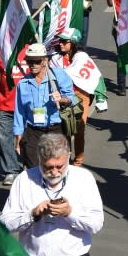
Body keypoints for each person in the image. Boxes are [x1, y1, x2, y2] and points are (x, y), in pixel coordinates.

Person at [0, 133, 104, 256]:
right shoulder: (24, 180)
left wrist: (69, 213)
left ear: (69, 157)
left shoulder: (84, 179)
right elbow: (5, 224)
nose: (54, 172)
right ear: (39, 158)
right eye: (47, 167)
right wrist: (32, 214)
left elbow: (96, 224)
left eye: (59, 166)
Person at [13, 43, 76, 169]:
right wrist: (18, 138)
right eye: (29, 61)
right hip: (33, 131)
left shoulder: (58, 75)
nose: (32, 64)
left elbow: (71, 99)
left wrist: (62, 99)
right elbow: (19, 112)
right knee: (34, 169)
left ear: (45, 61)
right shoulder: (23, 84)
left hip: (55, 130)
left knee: (55, 167)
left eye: (36, 61)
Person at [50, 28, 104, 167]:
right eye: (60, 41)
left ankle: (78, 161)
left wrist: (100, 98)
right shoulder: (55, 58)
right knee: (65, 129)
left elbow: (96, 76)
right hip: (63, 97)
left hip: (81, 96)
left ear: (73, 43)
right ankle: (66, 158)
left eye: (64, 41)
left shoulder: (82, 57)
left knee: (79, 129)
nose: (61, 43)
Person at [0, 50, 29, 186]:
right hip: (4, 106)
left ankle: (29, 166)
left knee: (28, 139)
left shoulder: (31, 47)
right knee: (5, 140)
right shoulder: (1, 52)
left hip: (28, 106)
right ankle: (11, 170)